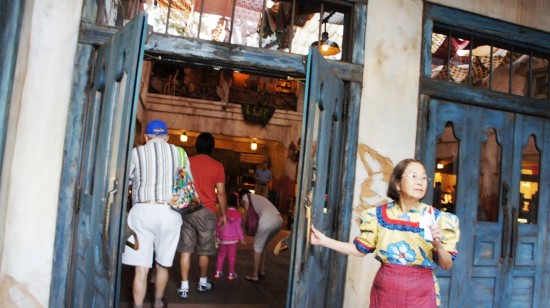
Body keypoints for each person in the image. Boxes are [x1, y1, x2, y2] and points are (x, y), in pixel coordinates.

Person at [310, 159, 460, 307]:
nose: (420, 182)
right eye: (413, 176)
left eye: (423, 177)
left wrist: (438, 246)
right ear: (397, 183)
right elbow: (360, 249)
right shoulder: (378, 215)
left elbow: (447, 265)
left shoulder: (438, 219)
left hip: (420, 293)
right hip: (385, 292)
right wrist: (324, 241)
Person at [122, 120, 186, 308]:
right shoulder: (179, 153)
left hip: (142, 212)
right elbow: (185, 186)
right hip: (170, 213)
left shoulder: (136, 153)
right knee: (163, 264)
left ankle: (138, 305)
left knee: (141, 269)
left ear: (146, 137)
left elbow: (125, 181)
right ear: (167, 137)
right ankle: (158, 302)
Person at [177, 132, 228, 299]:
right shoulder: (218, 166)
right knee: (204, 250)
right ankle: (202, 282)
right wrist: (224, 214)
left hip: (188, 209)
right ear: (212, 148)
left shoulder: (187, 163)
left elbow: (181, 186)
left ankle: (184, 287)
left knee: (186, 249)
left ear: (196, 146)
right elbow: (220, 192)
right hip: (207, 212)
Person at [238, 189, 283, 282]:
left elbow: (246, 211)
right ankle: (262, 270)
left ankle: (254, 275)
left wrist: (242, 228)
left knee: (257, 247)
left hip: (267, 221)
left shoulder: (245, 196)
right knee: (263, 245)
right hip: (278, 220)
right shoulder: (258, 198)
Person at [214, 192, 246, 280]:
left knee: (221, 255)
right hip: (233, 240)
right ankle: (231, 273)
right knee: (232, 256)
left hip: (223, 238)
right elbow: (238, 228)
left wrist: (217, 234)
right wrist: (242, 239)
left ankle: (218, 271)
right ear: (237, 203)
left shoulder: (224, 213)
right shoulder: (238, 214)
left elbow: (219, 224)